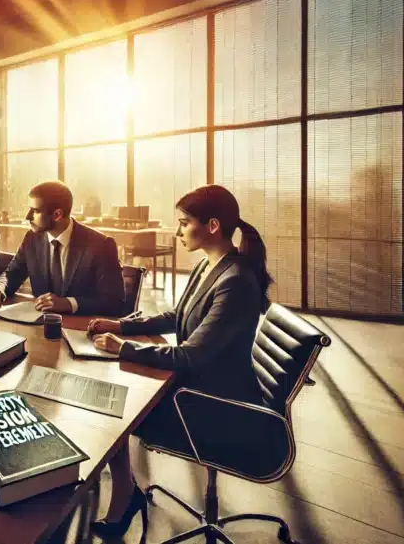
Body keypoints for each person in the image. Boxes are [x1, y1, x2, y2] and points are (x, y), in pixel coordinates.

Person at [83, 184, 272, 539]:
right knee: (115, 389)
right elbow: (176, 316)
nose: (178, 230)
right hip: (199, 384)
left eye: (184, 223)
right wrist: (122, 325)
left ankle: (125, 493)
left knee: (114, 402)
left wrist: (121, 347)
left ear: (212, 225)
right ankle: (125, 489)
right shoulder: (210, 265)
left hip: (215, 404)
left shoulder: (235, 282)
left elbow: (189, 355)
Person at [0, 181, 125, 315]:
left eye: (35, 211)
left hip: (80, 329)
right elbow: (12, 274)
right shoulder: (32, 238)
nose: (27, 217)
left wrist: (68, 303)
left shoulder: (102, 245)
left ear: (57, 214)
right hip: (37, 326)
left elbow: (115, 302)